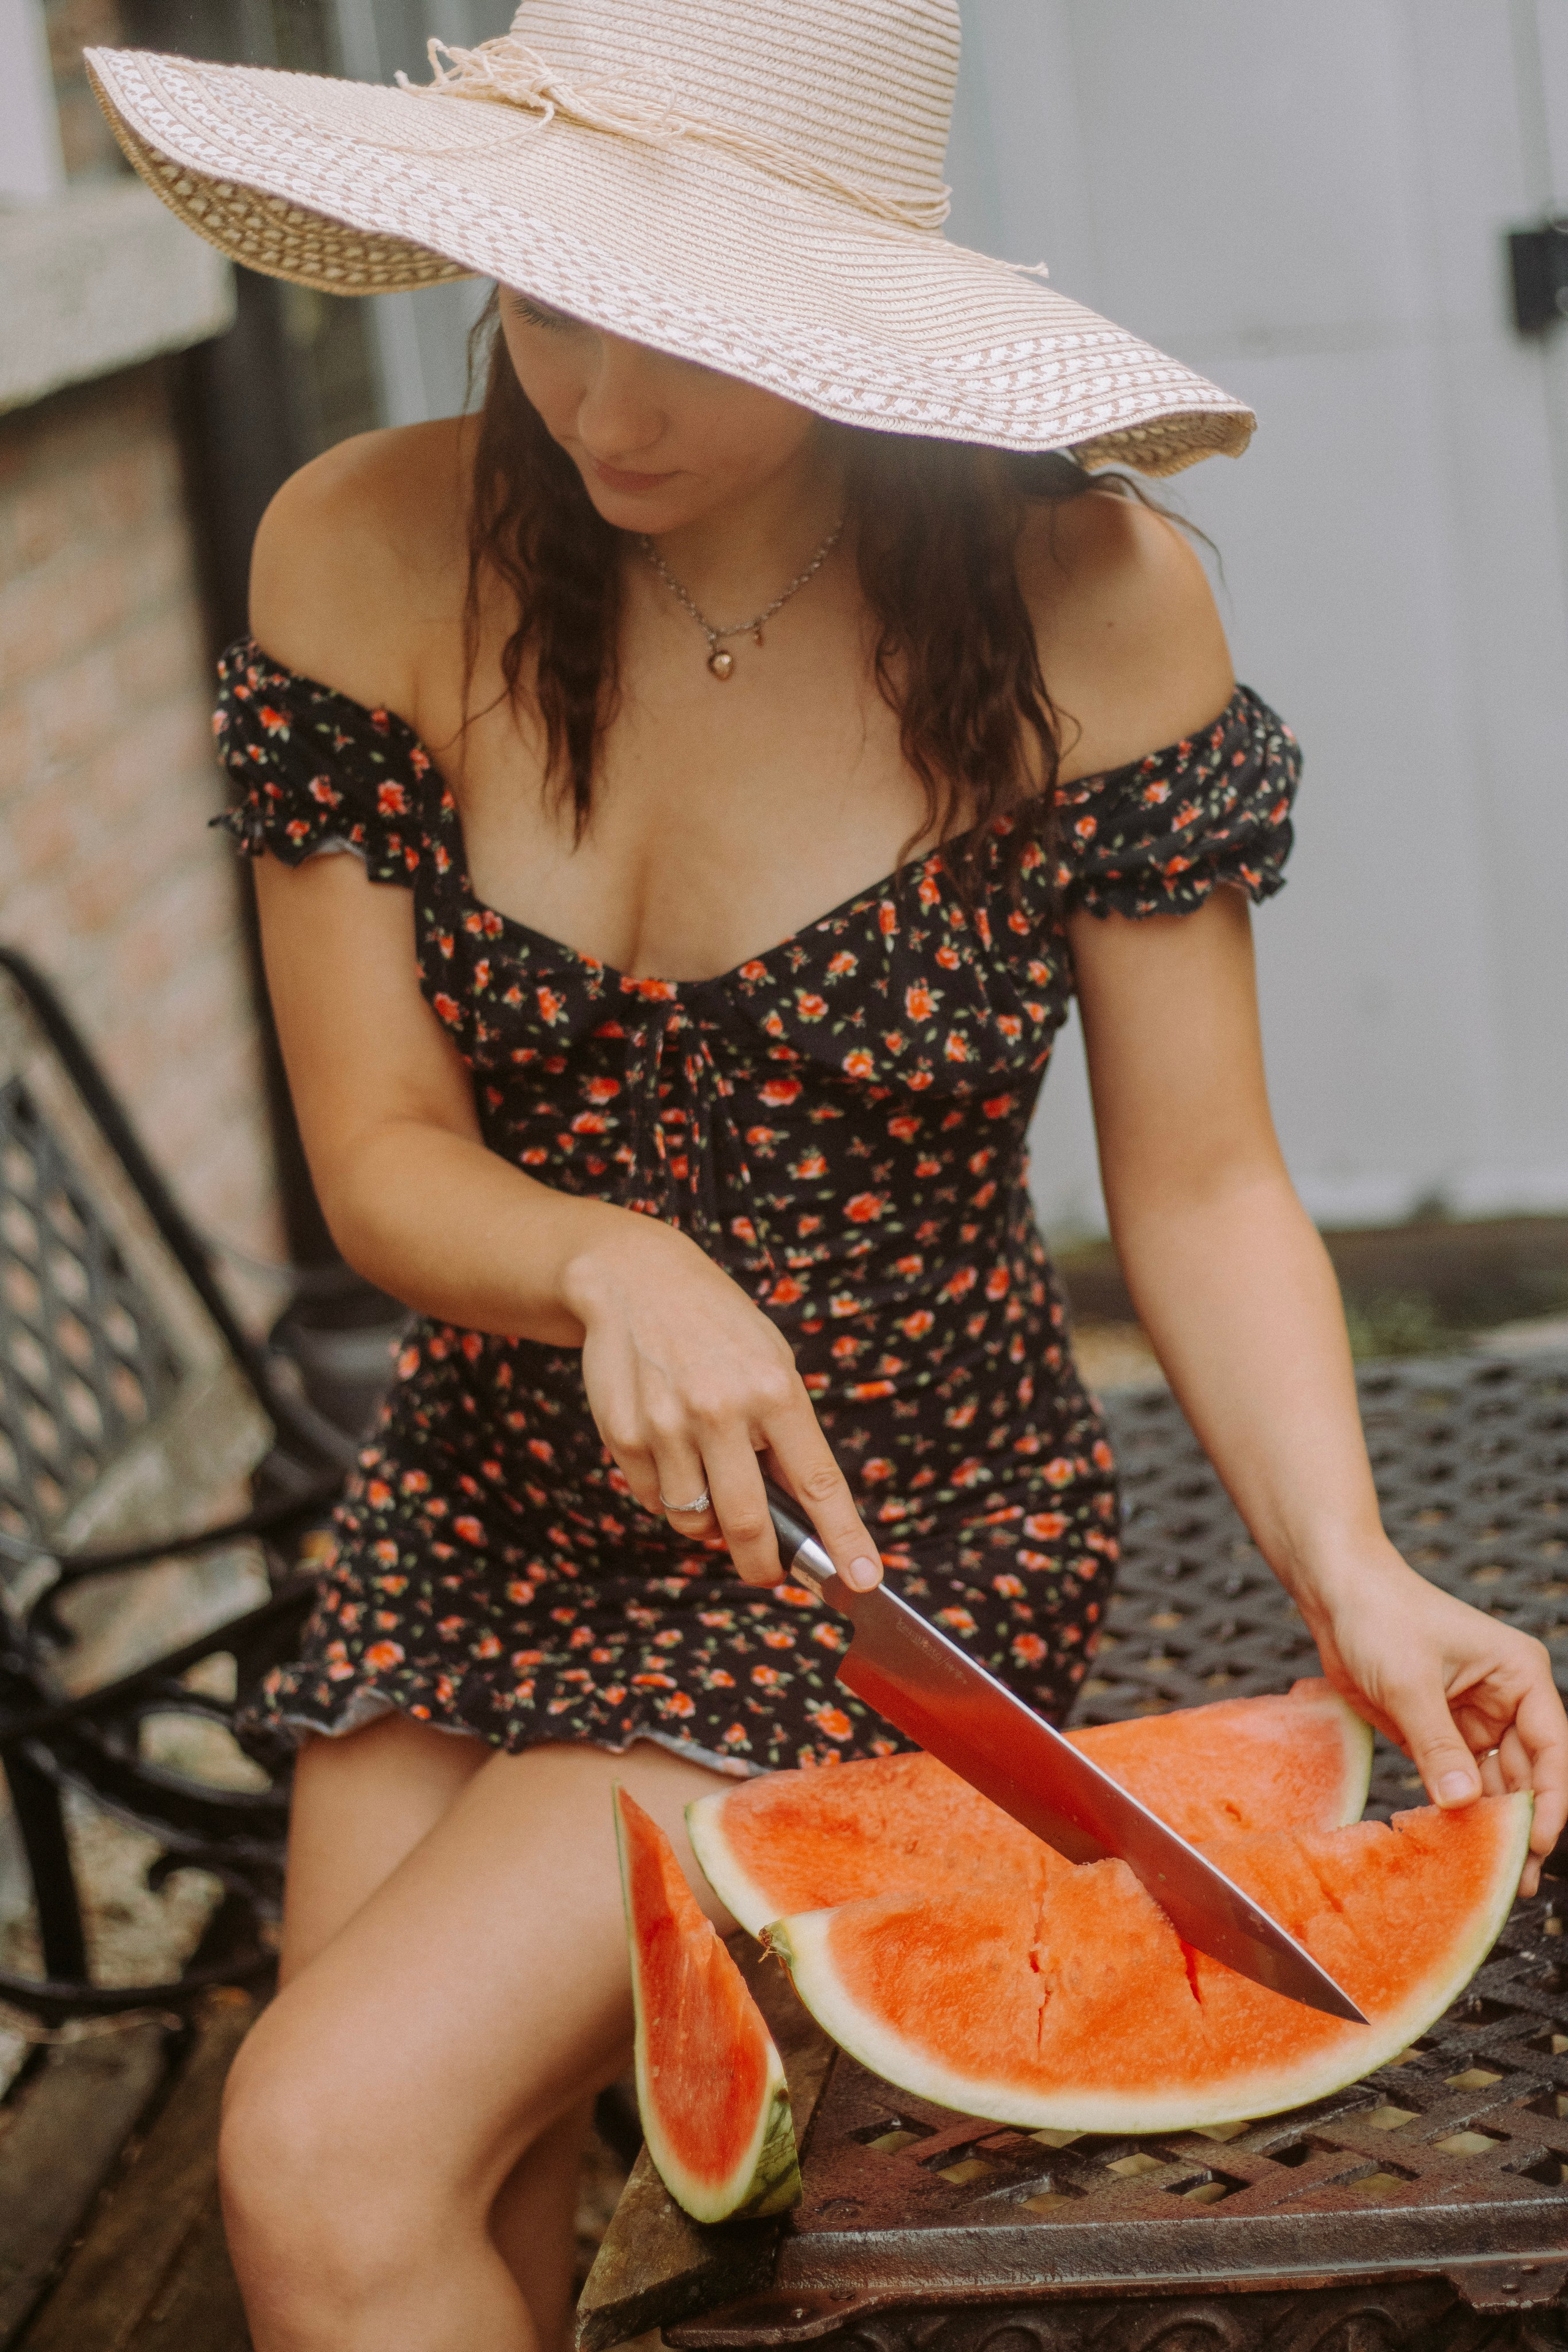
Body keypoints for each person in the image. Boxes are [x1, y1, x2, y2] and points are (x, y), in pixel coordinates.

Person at [90, 6, 1568, 2348]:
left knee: (319, 2142)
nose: (602, 406)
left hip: (879, 1556)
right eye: (550, 303)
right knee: (401, 2210)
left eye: (685, 330)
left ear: (848, 306)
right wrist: (610, 1260)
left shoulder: (1088, 602)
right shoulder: (357, 551)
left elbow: (1201, 1190)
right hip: (477, 1510)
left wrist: (1353, 1566)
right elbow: (375, 1156)